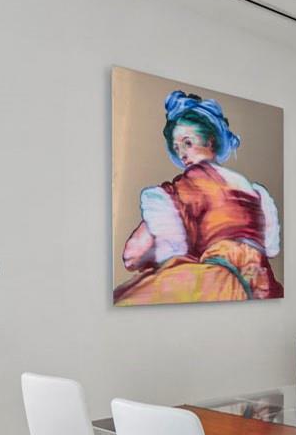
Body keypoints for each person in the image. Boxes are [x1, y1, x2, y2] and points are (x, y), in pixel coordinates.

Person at [113, 89, 283, 304]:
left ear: (211, 141)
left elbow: (133, 255)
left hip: (217, 284)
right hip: (263, 291)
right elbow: (270, 247)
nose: (182, 154)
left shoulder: (186, 186)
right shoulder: (254, 192)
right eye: (176, 148)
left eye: (187, 143)